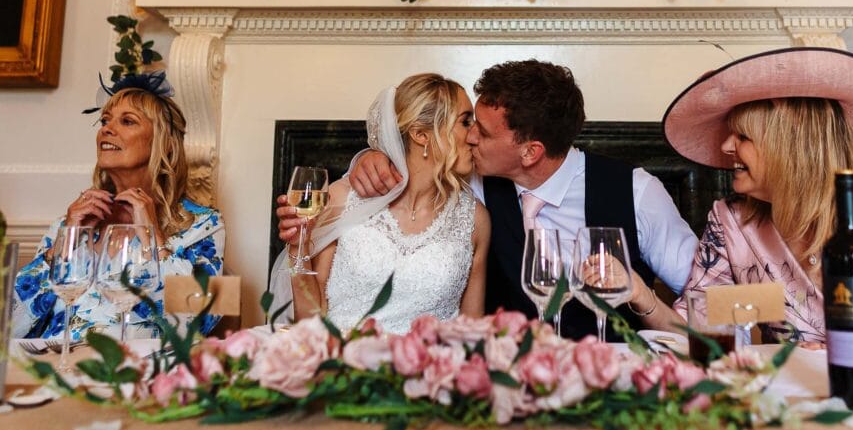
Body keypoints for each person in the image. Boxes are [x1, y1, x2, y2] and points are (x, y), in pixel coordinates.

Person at [282, 60, 698, 340]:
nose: (470, 137)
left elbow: (705, 298)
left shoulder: (636, 193)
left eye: (480, 129)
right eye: (468, 123)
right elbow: (415, 169)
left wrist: (647, 306)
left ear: (530, 152)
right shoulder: (472, 182)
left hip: (609, 377)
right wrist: (371, 158)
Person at [661, 47, 853, 346]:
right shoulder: (733, 223)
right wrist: (642, 298)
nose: (726, 146)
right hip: (786, 379)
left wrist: (845, 358)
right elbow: (698, 321)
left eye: (742, 136)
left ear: (790, 144)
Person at [13, 73, 225, 340]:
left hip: (135, 364)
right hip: (55, 361)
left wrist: (151, 236)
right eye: (105, 120)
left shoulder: (205, 225)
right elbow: (11, 325)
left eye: (127, 121)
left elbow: (199, 324)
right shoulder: (69, 223)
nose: (107, 129)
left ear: (165, 143)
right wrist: (62, 245)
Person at [273, 73, 489, 333]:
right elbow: (309, 319)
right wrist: (298, 246)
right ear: (421, 134)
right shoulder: (343, 198)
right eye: (465, 122)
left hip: (428, 359)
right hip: (345, 356)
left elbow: (472, 331)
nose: (475, 136)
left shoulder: (474, 219)